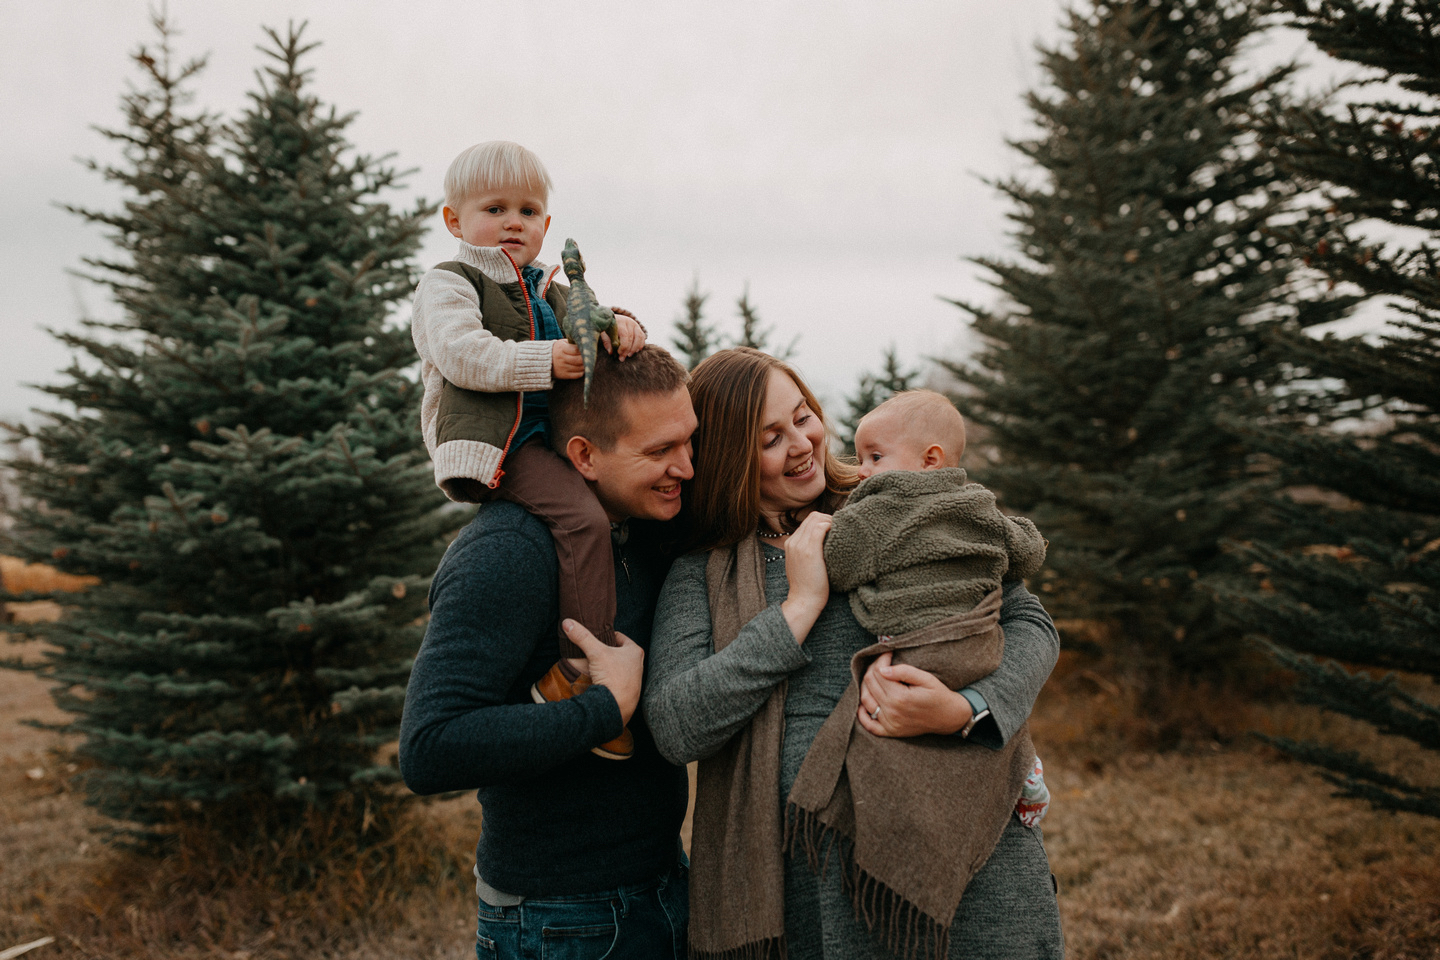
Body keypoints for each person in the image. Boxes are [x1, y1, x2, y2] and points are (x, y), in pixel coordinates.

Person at [644, 348, 1064, 960]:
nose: (803, 444)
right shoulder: (702, 573)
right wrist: (798, 608)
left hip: (964, 852)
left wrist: (966, 709)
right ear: (730, 456)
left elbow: (1028, 621)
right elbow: (677, 726)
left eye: (804, 416)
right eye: (770, 438)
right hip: (810, 882)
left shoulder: (895, 503)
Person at [398, 345, 695, 959]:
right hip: (560, 919)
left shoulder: (643, 531)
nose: (686, 468)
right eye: (660, 451)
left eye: (689, 442)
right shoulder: (507, 552)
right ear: (584, 455)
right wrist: (604, 708)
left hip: (665, 885)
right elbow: (429, 749)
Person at [410, 140, 646, 758]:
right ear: (454, 220)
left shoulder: (546, 288)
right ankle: (577, 673)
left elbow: (590, 318)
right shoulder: (449, 285)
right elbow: (463, 354)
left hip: (556, 436)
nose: (514, 221)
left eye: (529, 210)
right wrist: (548, 359)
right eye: (495, 208)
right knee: (585, 521)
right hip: (503, 443)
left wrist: (623, 327)